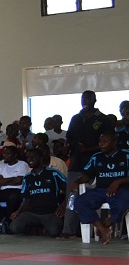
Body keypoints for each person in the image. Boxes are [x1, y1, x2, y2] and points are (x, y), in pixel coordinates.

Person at [63, 90, 113, 237]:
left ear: (95, 100)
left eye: (88, 98)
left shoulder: (103, 119)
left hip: (96, 165)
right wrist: (67, 146)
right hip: (76, 163)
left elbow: (109, 142)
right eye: (82, 98)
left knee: (94, 197)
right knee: (71, 196)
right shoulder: (76, 118)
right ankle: (68, 230)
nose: (84, 100)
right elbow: (70, 137)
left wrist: (89, 149)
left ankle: (94, 231)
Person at [69, 131, 129, 245]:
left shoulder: (126, 155)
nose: (101, 144)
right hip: (100, 190)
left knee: (123, 203)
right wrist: (77, 181)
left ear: (114, 143)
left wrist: (118, 181)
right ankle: (103, 230)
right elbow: (87, 175)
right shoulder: (96, 157)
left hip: (122, 190)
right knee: (80, 202)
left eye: (105, 141)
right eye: (100, 141)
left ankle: (106, 224)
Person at [10, 149, 68, 237]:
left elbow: (69, 189)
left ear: (41, 158)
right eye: (28, 157)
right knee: (14, 227)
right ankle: (36, 229)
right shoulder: (27, 177)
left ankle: (44, 228)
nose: (30, 159)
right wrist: (18, 212)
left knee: (54, 232)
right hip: (32, 213)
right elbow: (27, 199)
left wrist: (63, 206)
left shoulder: (53, 173)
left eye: (33, 157)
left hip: (51, 212)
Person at [0, 145, 30, 230]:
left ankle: (8, 221)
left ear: (15, 155)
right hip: (3, 190)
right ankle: (3, 216)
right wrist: (13, 178)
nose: (5, 155)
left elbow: (19, 181)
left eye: (8, 153)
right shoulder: (1, 165)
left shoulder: (22, 164)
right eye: (4, 153)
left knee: (13, 197)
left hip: (18, 190)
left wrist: (4, 180)